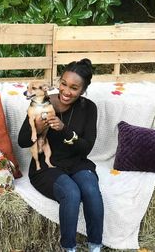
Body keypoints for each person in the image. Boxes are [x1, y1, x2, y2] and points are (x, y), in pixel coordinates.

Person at [18, 58, 104, 252]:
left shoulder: (89, 108)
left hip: (76, 162)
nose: (66, 91)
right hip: (47, 166)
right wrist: (39, 127)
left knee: (90, 190)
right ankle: (69, 248)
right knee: (71, 193)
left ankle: (95, 246)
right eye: (63, 84)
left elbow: (86, 148)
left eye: (74, 88)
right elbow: (22, 141)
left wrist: (64, 129)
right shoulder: (42, 103)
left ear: (83, 90)